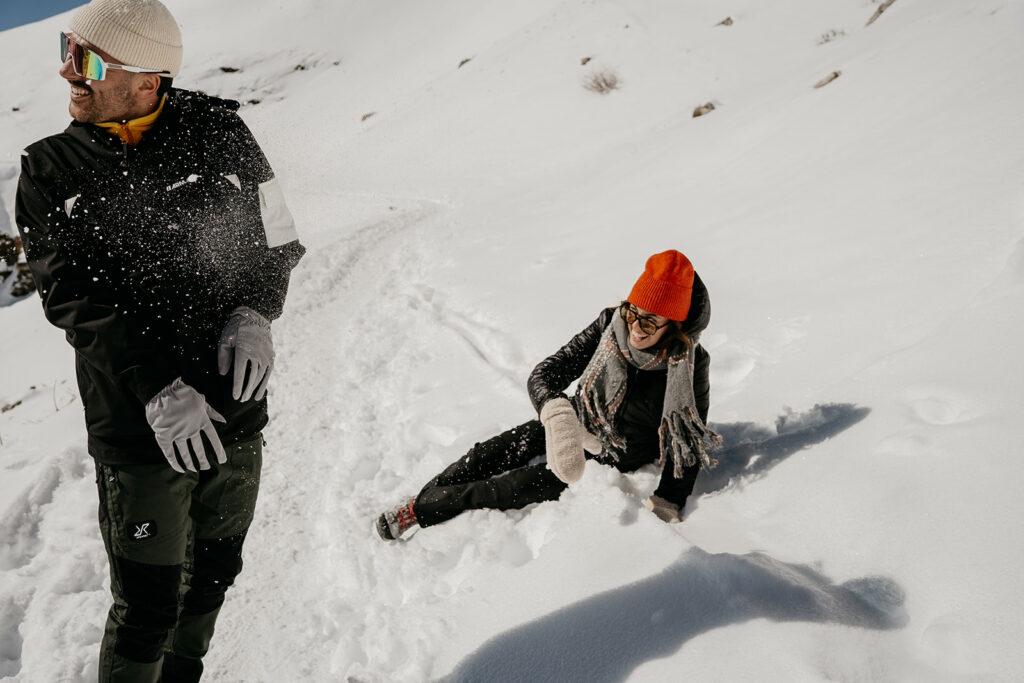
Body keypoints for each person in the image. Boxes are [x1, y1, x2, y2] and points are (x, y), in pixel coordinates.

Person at [14, 1, 305, 680]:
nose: (67, 71)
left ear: (147, 80)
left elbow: (277, 236)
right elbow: (71, 300)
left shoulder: (221, 133)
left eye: (86, 58)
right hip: (139, 429)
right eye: (67, 48)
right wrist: (156, 384)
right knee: (146, 606)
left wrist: (257, 311)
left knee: (213, 572)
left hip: (235, 412)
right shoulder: (50, 170)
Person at [377, 249, 718, 541]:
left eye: (649, 322)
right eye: (633, 312)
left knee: (510, 488)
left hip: (609, 454)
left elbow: (685, 442)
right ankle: (425, 496)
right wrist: (556, 412)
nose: (634, 327)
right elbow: (547, 372)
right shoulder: (610, 324)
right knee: (487, 454)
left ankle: (419, 510)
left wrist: (668, 500)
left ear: (673, 326)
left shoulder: (687, 365)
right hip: (573, 418)